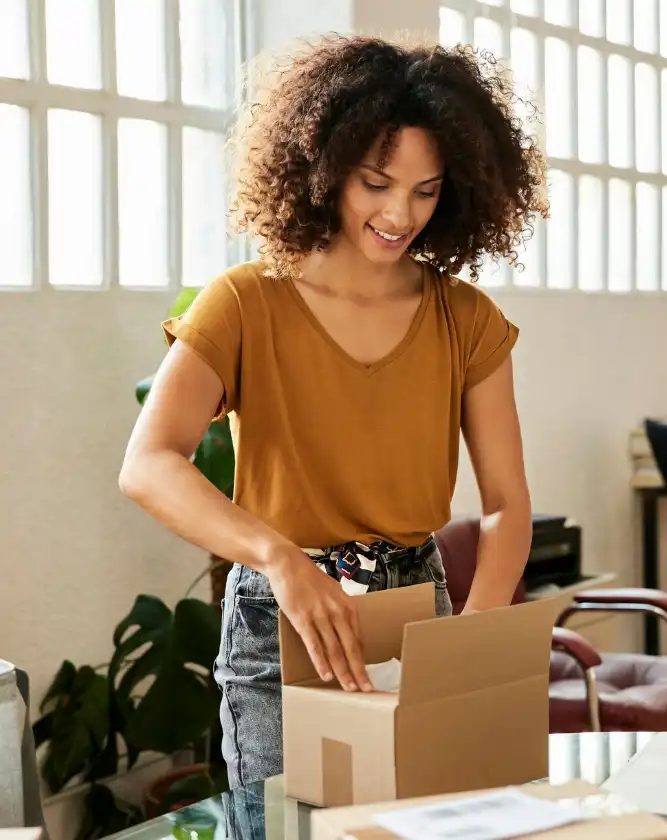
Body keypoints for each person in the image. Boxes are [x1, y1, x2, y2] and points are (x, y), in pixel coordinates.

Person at [119, 33, 548, 790]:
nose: (400, 213)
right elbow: (149, 464)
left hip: (421, 610)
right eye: (376, 182)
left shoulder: (468, 319)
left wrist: (472, 641)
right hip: (282, 619)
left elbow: (508, 505)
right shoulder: (246, 302)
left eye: (426, 189)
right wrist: (278, 557)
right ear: (324, 167)